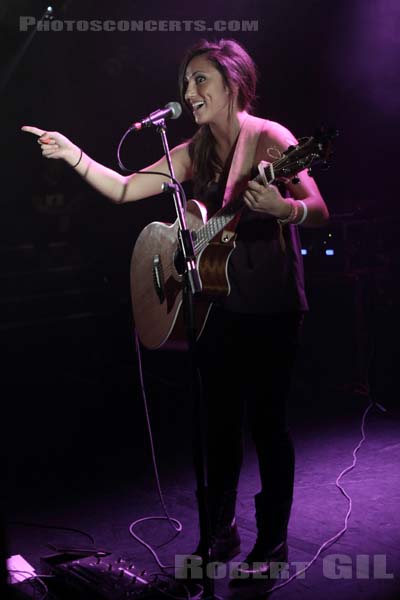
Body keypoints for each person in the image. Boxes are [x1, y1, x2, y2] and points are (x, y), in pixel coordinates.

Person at [22, 38, 329, 579]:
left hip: (271, 308)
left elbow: (319, 209)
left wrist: (286, 207)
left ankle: (273, 541)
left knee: (267, 425)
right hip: (215, 308)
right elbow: (122, 190)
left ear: (233, 83)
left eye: (200, 80)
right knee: (218, 428)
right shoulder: (193, 150)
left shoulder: (271, 138)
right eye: (186, 82)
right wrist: (73, 154)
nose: (189, 92)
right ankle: (220, 531)